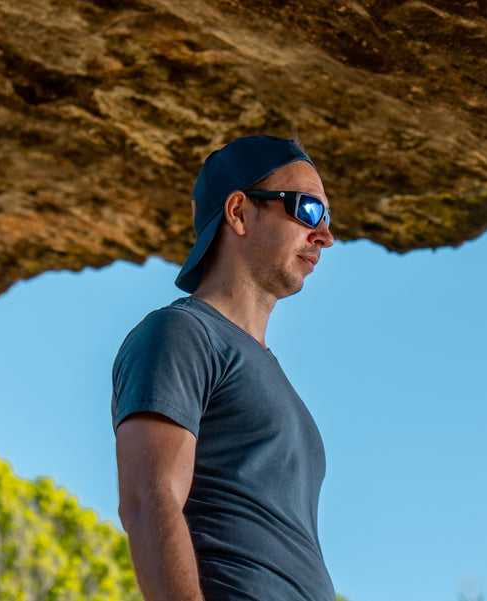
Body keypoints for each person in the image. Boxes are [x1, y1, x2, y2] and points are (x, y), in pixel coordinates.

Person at [111, 135, 336, 601]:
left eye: (327, 218)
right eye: (308, 210)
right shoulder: (182, 333)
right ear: (238, 212)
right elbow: (148, 502)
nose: (324, 235)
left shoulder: (274, 378)